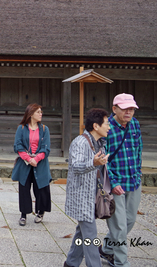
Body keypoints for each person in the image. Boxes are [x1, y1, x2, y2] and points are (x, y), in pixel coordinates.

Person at [99, 93, 142, 267]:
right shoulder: (105, 127)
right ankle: (120, 262)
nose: (128, 112)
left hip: (133, 180)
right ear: (114, 108)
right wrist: (113, 182)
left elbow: (138, 151)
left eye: (131, 109)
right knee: (119, 227)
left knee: (130, 220)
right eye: (125, 109)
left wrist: (138, 173)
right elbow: (102, 159)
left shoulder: (135, 125)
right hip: (114, 183)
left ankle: (108, 249)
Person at [64, 108, 111, 267]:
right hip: (82, 197)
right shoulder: (80, 142)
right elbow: (75, 167)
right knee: (91, 237)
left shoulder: (99, 143)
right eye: (106, 123)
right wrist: (93, 163)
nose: (109, 126)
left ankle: (71, 263)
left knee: (82, 232)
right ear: (96, 126)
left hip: (92, 196)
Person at [11, 103, 52, 226]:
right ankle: (24, 214)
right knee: (24, 188)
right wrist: (29, 159)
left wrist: (37, 159)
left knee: (42, 188)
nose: (41, 114)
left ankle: (41, 212)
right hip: (25, 163)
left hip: (40, 163)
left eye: (41, 112)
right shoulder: (22, 128)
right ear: (31, 114)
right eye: (38, 112)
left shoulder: (44, 129)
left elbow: (46, 148)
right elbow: (18, 146)